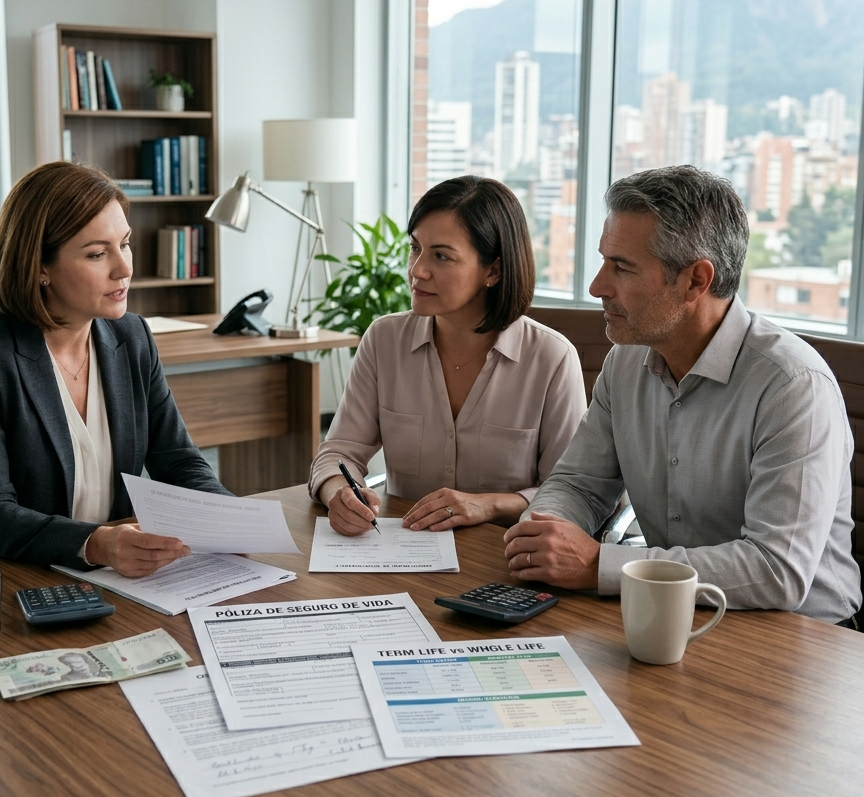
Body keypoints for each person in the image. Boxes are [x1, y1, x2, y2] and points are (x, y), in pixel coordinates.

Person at [503, 165, 862, 625]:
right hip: (670, 614)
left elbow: (777, 572)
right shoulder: (626, 361)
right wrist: (545, 529)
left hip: (804, 638)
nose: (597, 287)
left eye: (622, 267)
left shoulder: (793, 386)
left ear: (696, 280)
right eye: (602, 260)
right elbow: (578, 484)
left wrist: (599, 566)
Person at [0, 162, 231, 576]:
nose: (124, 268)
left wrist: (229, 520)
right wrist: (93, 543)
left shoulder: (131, 336)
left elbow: (179, 463)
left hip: (104, 576)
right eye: (97, 254)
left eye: (125, 244)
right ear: (40, 267)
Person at [309, 176, 587, 536]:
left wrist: (485, 504)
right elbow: (338, 453)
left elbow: (569, 494)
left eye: (441, 256)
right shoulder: (384, 340)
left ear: (494, 270)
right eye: (415, 248)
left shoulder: (552, 358)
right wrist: (339, 493)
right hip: (402, 553)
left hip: (504, 556)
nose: (417, 270)